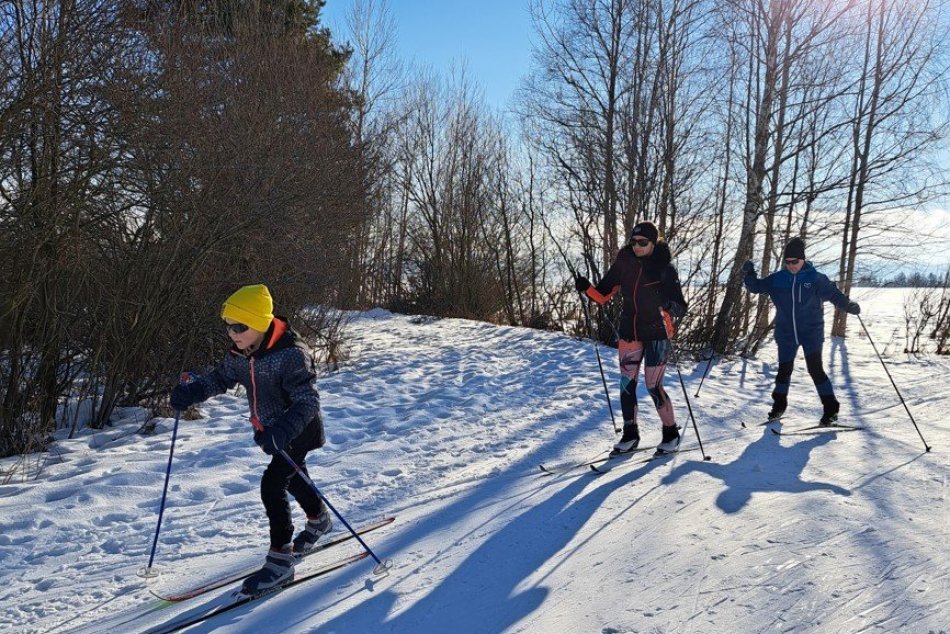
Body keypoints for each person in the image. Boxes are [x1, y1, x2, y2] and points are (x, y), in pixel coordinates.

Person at [169, 284, 332, 596]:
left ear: (259, 323)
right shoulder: (242, 354)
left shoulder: (291, 355)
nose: (233, 333)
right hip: (271, 432)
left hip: (298, 429)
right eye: (229, 326)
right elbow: (220, 378)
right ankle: (319, 519)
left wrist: (283, 430)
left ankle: (280, 562)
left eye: (240, 326)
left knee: (272, 484)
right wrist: (191, 393)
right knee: (294, 477)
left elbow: (308, 402)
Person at [575, 221, 688, 455]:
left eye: (642, 242)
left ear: (654, 243)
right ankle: (630, 434)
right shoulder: (623, 264)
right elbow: (603, 296)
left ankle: (670, 433)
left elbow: (680, 307)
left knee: (653, 385)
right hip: (630, 331)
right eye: (633, 242)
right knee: (627, 383)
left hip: (658, 332)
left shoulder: (665, 268)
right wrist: (587, 288)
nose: (636, 246)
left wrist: (667, 304)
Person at [742, 237, 861, 425]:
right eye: (787, 262)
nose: (791, 266)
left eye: (795, 262)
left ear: (803, 260)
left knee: (815, 369)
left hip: (811, 332)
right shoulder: (778, 279)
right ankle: (778, 407)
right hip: (786, 333)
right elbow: (756, 287)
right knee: (784, 371)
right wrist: (749, 274)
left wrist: (849, 305)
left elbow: (834, 294)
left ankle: (831, 409)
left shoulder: (815, 278)